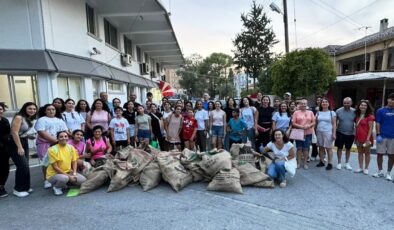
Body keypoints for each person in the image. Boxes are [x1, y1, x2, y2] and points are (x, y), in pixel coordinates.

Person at [35, 104, 68, 189]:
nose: (51, 111)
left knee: (58, 161)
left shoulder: (60, 120)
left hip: (59, 144)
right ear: (45, 111)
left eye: (53, 109)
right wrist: (56, 141)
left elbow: (64, 131)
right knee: (46, 162)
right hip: (45, 144)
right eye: (49, 109)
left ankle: (58, 178)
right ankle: (46, 180)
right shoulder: (42, 120)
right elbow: (41, 132)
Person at [8, 102, 38, 197]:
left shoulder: (27, 118)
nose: (32, 110)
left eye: (34, 109)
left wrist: (29, 136)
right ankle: (18, 189)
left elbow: (21, 132)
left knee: (25, 165)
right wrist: (19, 147)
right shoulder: (19, 117)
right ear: (24, 108)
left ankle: (25, 187)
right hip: (15, 143)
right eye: (30, 108)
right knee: (22, 166)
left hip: (23, 141)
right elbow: (14, 133)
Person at [46, 131, 86, 196]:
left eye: (65, 136)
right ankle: (57, 187)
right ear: (58, 139)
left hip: (68, 172)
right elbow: (55, 167)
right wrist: (69, 177)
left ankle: (65, 184)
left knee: (83, 180)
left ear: (68, 138)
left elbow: (74, 161)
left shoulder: (70, 147)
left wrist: (74, 173)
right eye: (61, 137)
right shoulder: (52, 149)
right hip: (54, 174)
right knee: (64, 178)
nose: (64, 138)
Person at [373, 93, 394, 180]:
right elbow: (378, 122)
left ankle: (388, 173)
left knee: (392, 156)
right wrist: (378, 134)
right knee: (379, 154)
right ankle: (380, 171)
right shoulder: (380, 111)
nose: (393, 101)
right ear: (388, 99)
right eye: (391, 99)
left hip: (392, 137)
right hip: (382, 136)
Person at [291, 98, 315, 169]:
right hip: (299, 132)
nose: (303, 105)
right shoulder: (296, 112)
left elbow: (313, 122)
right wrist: (301, 126)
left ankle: (305, 164)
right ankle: (298, 163)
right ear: (299, 104)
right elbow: (293, 123)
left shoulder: (310, 112)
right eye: (302, 103)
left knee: (306, 149)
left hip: (308, 133)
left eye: (305, 103)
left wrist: (309, 125)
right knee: (299, 148)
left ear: (307, 104)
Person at [353, 100, 374, 175]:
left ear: (367, 107)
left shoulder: (370, 116)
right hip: (358, 137)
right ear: (359, 106)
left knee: (367, 153)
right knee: (360, 153)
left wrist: (368, 139)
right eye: (361, 105)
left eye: (365, 105)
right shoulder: (357, 116)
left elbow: (371, 129)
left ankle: (366, 168)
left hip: (366, 138)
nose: (363, 106)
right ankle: (360, 167)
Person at [315, 98, 337, 170]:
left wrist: (334, 133)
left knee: (328, 148)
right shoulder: (318, 113)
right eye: (323, 102)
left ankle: (330, 163)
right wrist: (315, 132)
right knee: (321, 147)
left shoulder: (332, 113)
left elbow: (334, 124)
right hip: (319, 131)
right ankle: (321, 161)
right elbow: (316, 123)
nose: (324, 103)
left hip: (328, 132)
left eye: (326, 102)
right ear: (321, 104)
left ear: (328, 104)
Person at [335, 97, 355, 170]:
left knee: (348, 149)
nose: (346, 104)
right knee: (339, 148)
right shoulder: (338, 111)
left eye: (348, 103)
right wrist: (334, 132)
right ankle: (339, 163)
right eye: (345, 103)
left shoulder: (355, 111)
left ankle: (347, 163)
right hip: (340, 132)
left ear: (351, 103)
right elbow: (334, 123)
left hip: (351, 133)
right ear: (343, 103)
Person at [0, 103, 11, 198]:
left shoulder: (5, 120)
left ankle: (1, 187)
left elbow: (8, 133)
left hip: (4, 149)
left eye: (0, 109)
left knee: (5, 168)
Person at [311, 96, 323, 161]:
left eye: (320, 100)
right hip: (314, 127)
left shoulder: (324, 109)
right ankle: (314, 154)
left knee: (322, 143)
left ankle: (323, 155)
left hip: (321, 127)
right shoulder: (312, 109)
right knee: (314, 142)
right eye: (317, 100)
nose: (319, 101)